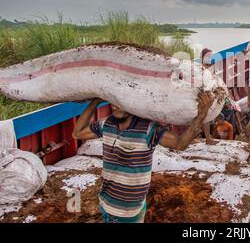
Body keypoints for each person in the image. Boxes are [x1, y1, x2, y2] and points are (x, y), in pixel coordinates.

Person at [72, 92, 214, 223]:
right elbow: (77, 134)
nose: (116, 105)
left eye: (121, 101)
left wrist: (202, 115)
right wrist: (95, 101)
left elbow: (179, 143)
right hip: (105, 204)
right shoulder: (106, 124)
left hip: (129, 213)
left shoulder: (148, 129)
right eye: (113, 101)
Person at [200, 48, 219, 145]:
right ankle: (207, 138)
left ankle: (207, 138)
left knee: (206, 118)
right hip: (204, 96)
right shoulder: (202, 68)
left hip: (207, 94)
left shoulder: (207, 67)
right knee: (205, 118)